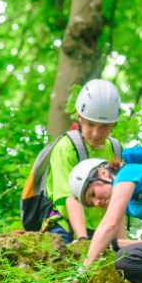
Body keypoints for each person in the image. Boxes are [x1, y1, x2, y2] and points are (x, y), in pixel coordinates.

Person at [44, 79, 125, 242]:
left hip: (103, 231)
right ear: (79, 117)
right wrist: (82, 240)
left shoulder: (115, 149)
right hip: (67, 229)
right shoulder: (66, 147)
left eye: (103, 126)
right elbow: (70, 197)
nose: (96, 133)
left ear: (113, 123)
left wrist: (123, 244)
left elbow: (119, 200)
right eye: (90, 124)